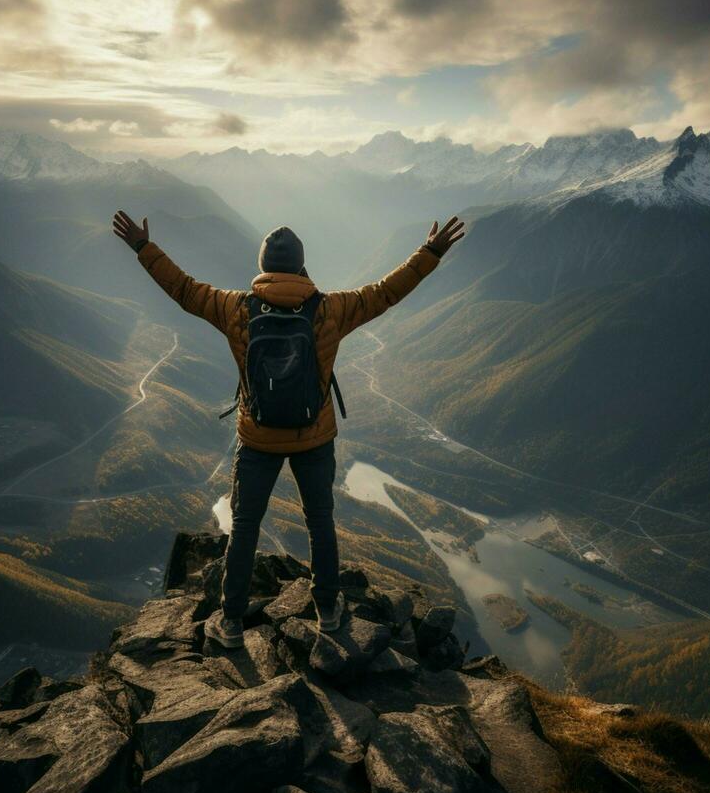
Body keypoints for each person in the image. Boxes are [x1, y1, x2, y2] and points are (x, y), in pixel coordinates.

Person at [112, 210, 465, 648]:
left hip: (257, 438)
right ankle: (330, 613)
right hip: (313, 437)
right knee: (320, 523)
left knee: (244, 527)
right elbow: (387, 292)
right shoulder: (331, 309)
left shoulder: (235, 307)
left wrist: (143, 248)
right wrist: (431, 252)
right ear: (301, 266)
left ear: (262, 267)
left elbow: (182, 289)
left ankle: (232, 622)